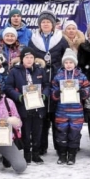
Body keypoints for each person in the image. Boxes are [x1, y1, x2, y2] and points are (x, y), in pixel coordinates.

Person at [27, 10, 69, 155]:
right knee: (41, 116)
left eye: (48, 22)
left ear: (53, 24)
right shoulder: (33, 39)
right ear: (39, 24)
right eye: (43, 22)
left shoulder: (61, 39)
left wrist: (58, 69)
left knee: (57, 116)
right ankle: (41, 146)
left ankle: (59, 147)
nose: (45, 24)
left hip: (57, 79)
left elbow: (67, 57)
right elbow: (29, 57)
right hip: (40, 80)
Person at [4, 47, 50, 165]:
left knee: (37, 132)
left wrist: (44, 95)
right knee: (25, 132)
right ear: (22, 58)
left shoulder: (40, 70)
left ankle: (36, 154)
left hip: (38, 107)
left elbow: (47, 85)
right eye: (26, 57)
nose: (29, 60)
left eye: (31, 58)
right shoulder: (15, 71)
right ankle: (26, 155)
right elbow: (8, 87)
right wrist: (19, 96)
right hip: (23, 107)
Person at [51, 48, 90, 165]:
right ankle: (62, 154)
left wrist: (84, 93)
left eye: (71, 62)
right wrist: (56, 94)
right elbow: (53, 91)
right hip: (62, 110)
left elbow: (87, 88)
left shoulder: (81, 76)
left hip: (76, 110)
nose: (68, 65)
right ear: (63, 63)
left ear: (75, 63)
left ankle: (72, 155)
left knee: (74, 133)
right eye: (66, 62)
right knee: (61, 133)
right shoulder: (58, 76)